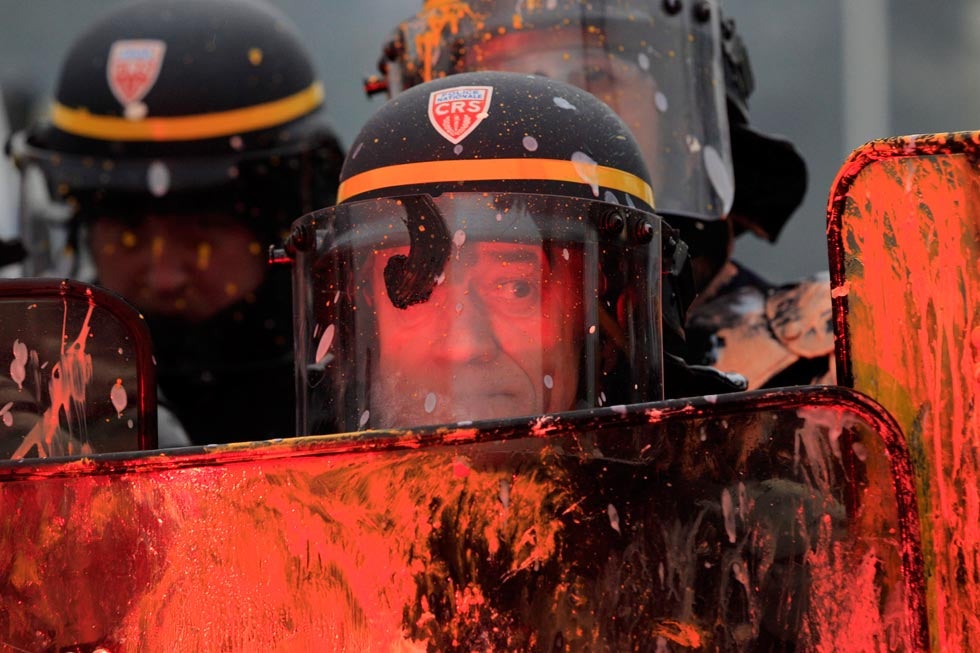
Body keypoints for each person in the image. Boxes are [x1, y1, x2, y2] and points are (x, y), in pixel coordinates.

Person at [367, 0, 833, 393]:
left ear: (681, 126)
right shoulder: (375, 374)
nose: (551, 113)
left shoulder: (829, 363)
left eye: (595, 73)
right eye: (507, 80)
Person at [7, 0, 345, 445]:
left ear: (287, 232)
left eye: (201, 234)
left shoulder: (361, 397)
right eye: (128, 236)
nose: (164, 278)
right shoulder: (25, 406)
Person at [282, 70, 670, 433]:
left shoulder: (715, 485)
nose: (462, 347)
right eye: (411, 293)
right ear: (365, 317)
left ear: (605, 318)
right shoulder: (275, 500)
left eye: (516, 288)